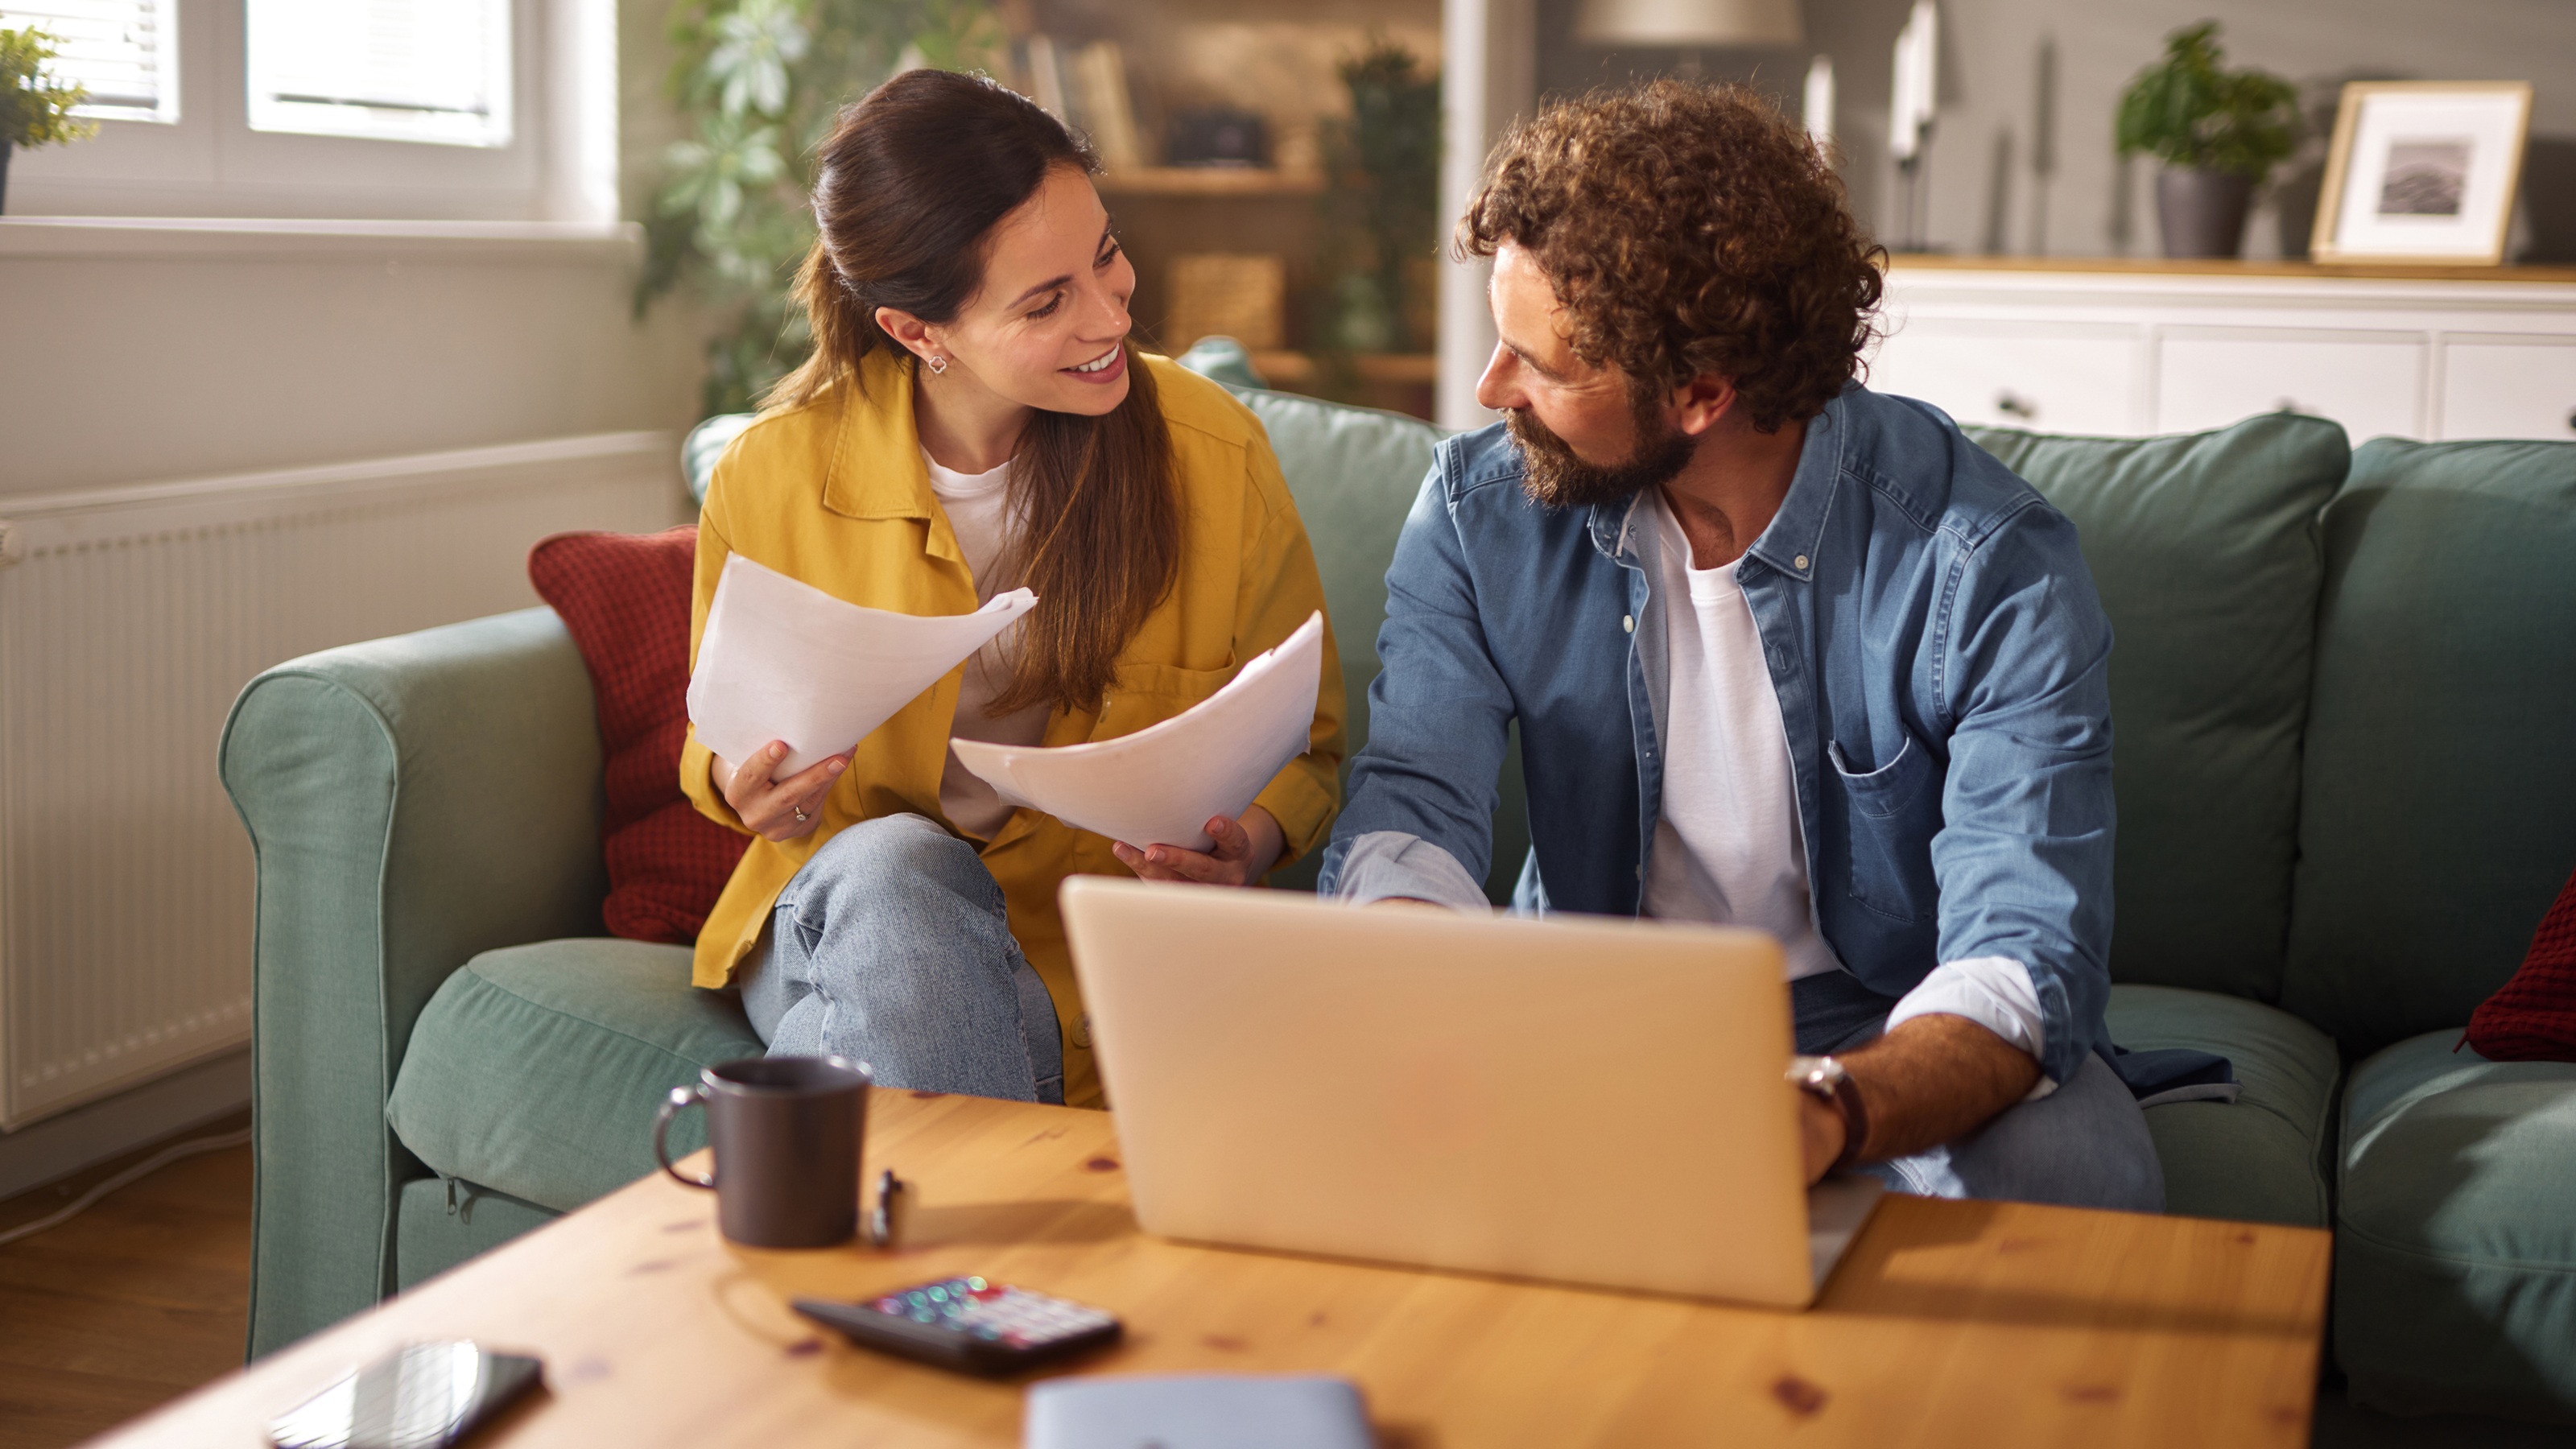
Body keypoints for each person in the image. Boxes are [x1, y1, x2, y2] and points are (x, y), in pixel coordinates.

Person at [1319, 81, 2163, 1210]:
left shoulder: (1985, 564)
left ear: (1703, 393)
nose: (1489, 391)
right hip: (1587, 1008)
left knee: (2071, 1169)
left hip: (1883, 1025)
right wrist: (1440, 987)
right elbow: (1415, 807)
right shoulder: (1480, 518)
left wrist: (1820, 1111)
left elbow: (2021, 950)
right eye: (1499, 344)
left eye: (1545, 367)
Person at [684, 71, 1344, 1111]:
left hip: (1090, 953)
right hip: (850, 916)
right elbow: (718, 737)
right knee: (896, 871)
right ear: (918, 333)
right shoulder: (770, 479)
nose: (1111, 312)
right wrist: (743, 784)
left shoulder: (1214, 453)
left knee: (870, 1044)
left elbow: (1312, 744)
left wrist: (1246, 842)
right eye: (1047, 302)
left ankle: (876, 1201)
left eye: (1107, 255)